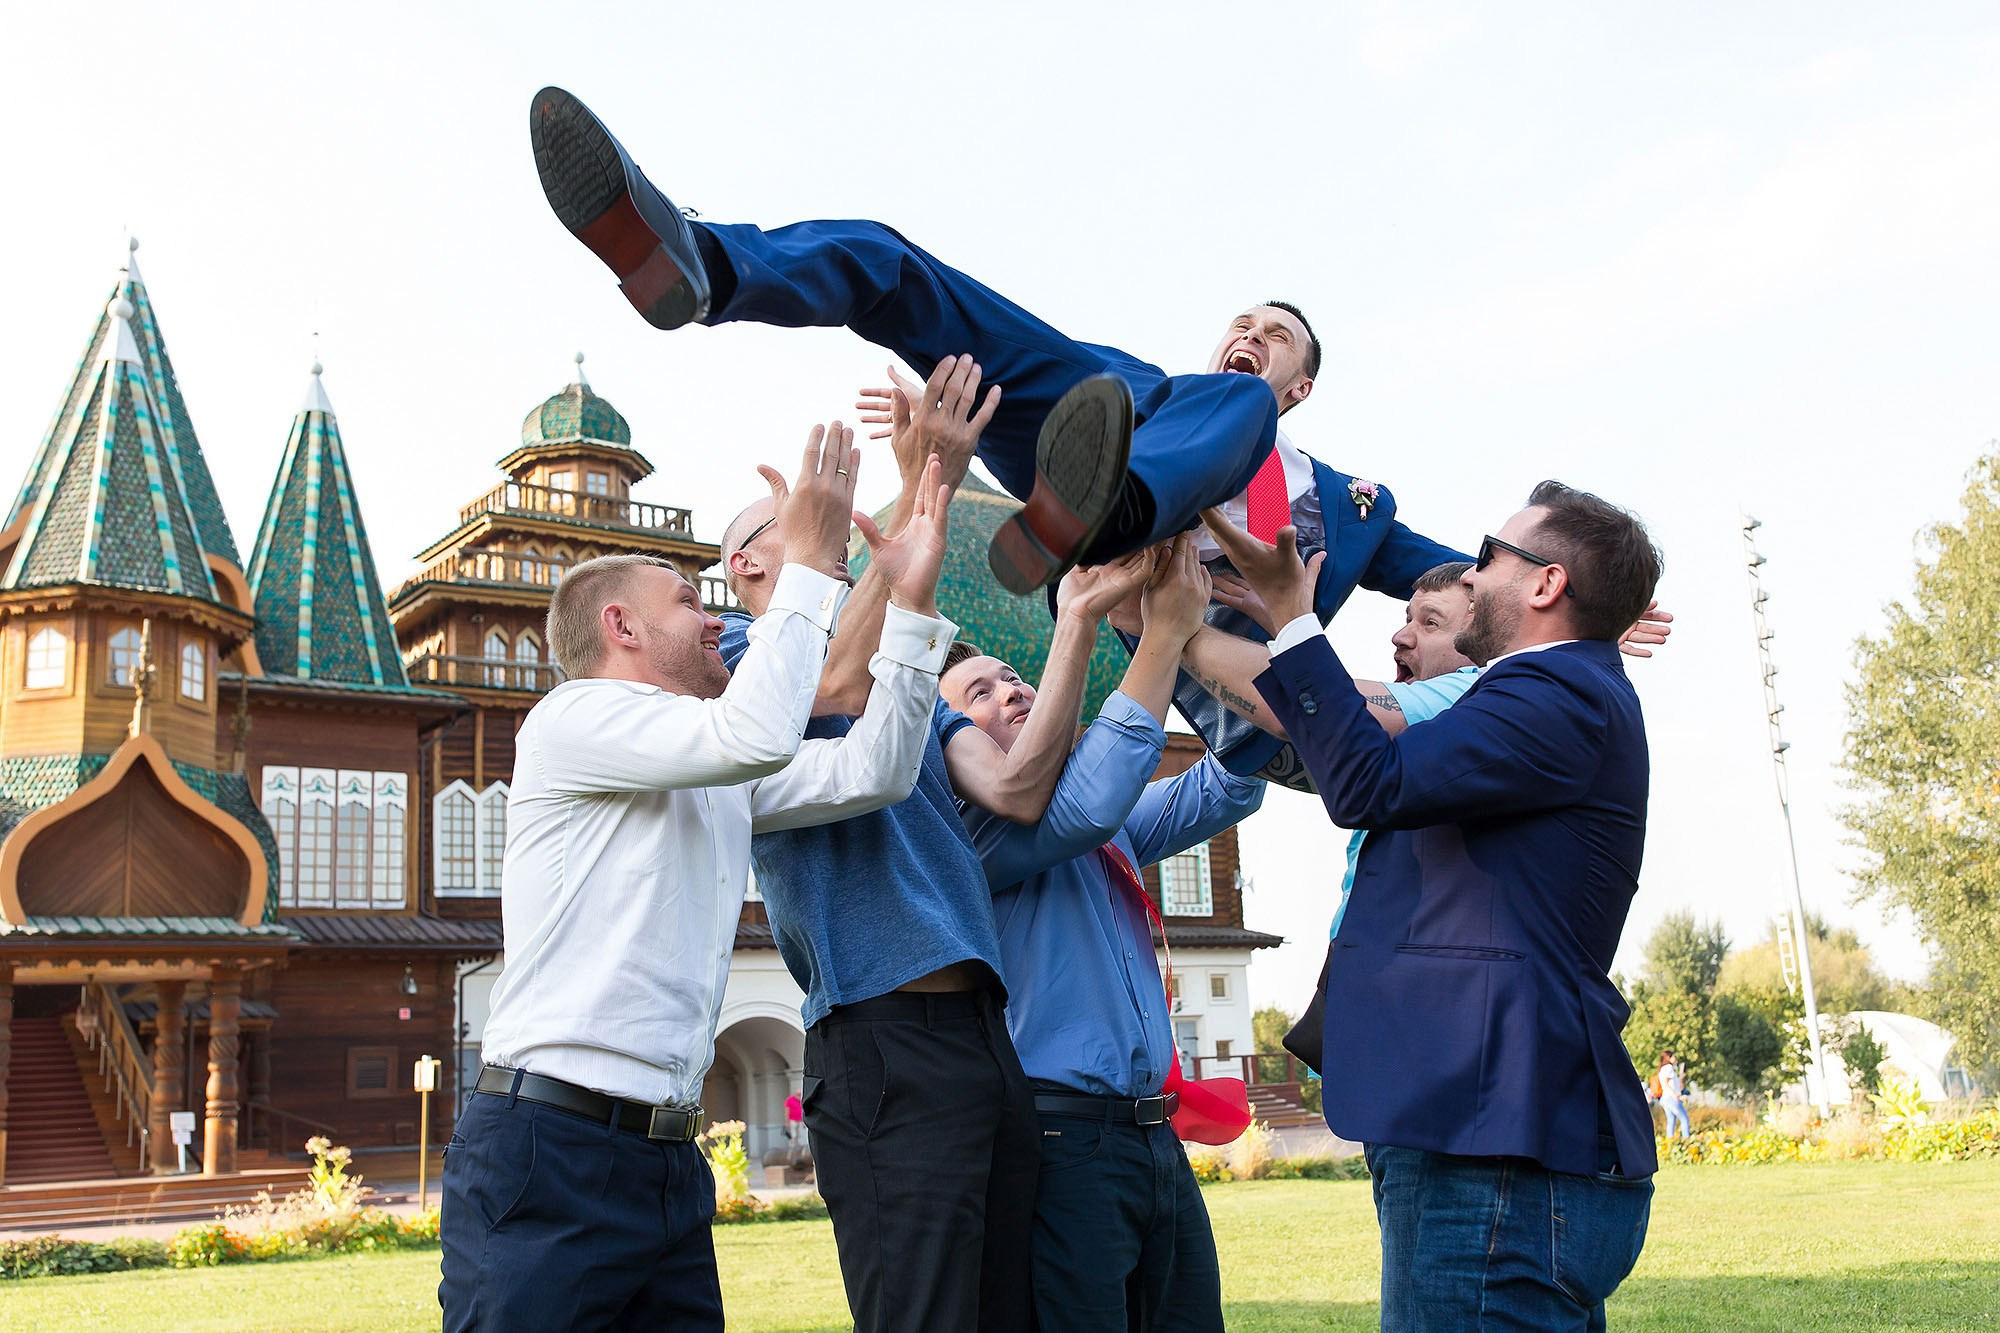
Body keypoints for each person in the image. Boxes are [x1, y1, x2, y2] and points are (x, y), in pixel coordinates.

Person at [523, 88, 1478, 795]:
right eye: (1244, 325)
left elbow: (1481, 586)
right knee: (898, 265)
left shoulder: (1347, 500)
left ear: (1302, 385)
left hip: (1246, 684)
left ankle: (1115, 510)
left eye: (1278, 340)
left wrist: (1557, 583)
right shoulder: (1142, 386)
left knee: (1237, 408)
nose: (1254, 338)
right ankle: (705, 264)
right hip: (1108, 444)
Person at [440, 431, 960, 1332]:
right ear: (621, 627)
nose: (717, 618)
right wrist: (810, 562)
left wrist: (910, 613)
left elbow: (875, 770)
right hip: (550, 1148)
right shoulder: (573, 718)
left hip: (668, 1163)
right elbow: (753, 731)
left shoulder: (717, 771)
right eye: (688, 601)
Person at [712, 384, 1125, 1332]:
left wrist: (1076, 621)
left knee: (1005, 1312)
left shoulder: (911, 683)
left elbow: (1017, 788)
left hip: (983, 1033)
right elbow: (826, 682)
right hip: (880, 1037)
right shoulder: (739, 660)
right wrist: (915, 491)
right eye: (808, 517)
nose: (841, 526)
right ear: (746, 563)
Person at [1204, 481, 1664, 1331]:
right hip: (1487, 1139)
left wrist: (1294, 619)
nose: (1471, 572)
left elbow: (1369, 783)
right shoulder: (1548, 691)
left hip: (1489, 1150)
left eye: (1489, 555)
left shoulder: (1554, 691)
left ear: (1547, 583)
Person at [942, 538, 1264, 1332]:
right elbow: (1087, 804)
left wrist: (1230, 635)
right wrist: (1160, 637)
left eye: (1014, 677)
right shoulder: (965, 831)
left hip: (1154, 1137)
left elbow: (1234, 781)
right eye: (980, 692)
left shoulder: (1105, 819)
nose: (1012, 690)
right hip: (1063, 1138)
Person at [1658, 1052, 1691, 1139]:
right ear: (1668, 1057)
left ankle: (1670, 1141)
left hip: (1665, 1098)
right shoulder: (1669, 1068)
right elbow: (1666, 1084)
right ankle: (1686, 1139)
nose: (1675, 1058)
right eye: (1673, 1057)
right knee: (1684, 1119)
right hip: (1671, 1098)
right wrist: (1676, 1096)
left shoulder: (1662, 1069)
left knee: (1671, 1121)